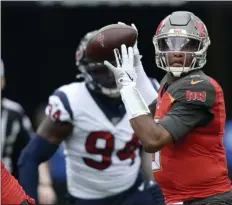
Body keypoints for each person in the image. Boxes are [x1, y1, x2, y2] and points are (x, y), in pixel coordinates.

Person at [18, 24, 165, 205]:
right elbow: (30, 157)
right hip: (86, 198)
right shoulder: (72, 101)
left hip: (132, 193)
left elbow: (162, 144)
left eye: (113, 67)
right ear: (85, 71)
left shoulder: (145, 90)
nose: (110, 76)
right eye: (100, 70)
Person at [104, 11, 232, 205]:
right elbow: (154, 111)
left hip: (208, 199)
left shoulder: (199, 86)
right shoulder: (171, 83)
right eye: (169, 44)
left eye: (187, 44)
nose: (177, 51)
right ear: (158, 47)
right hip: (182, 198)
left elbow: (153, 139)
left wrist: (126, 87)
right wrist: (136, 64)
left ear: (201, 48)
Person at [0, 59, 55, 204]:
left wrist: (45, 184)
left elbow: (34, 149)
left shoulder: (13, 113)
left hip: (4, 184)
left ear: (2, 82)